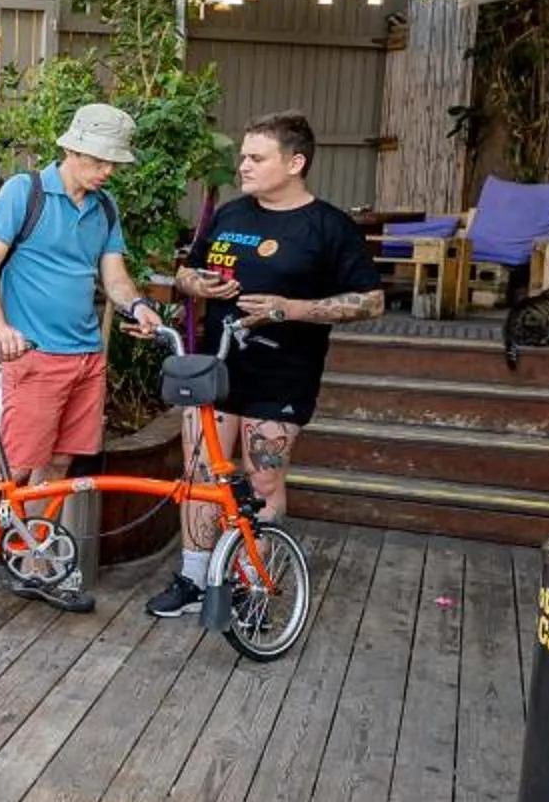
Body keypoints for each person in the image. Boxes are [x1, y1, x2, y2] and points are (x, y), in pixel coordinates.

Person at [149, 112, 384, 619]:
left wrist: (293, 309)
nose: (243, 166)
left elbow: (372, 301)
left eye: (256, 157)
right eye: (243, 156)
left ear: (295, 162)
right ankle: (192, 578)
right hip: (214, 369)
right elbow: (187, 271)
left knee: (263, 482)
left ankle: (253, 582)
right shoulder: (230, 215)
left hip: (282, 375)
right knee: (200, 475)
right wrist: (196, 284)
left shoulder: (329, 226)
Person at [0, 102, 170, 622]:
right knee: (12, 469)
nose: (109, 172)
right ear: (73, 149)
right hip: (32, 358)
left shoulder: (104, 208)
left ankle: (31, 565)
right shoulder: (24, 193)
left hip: (85, 361)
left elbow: (114, 278)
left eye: (114, 164)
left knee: (58, 468)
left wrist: (139, 305)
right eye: (102, 161)